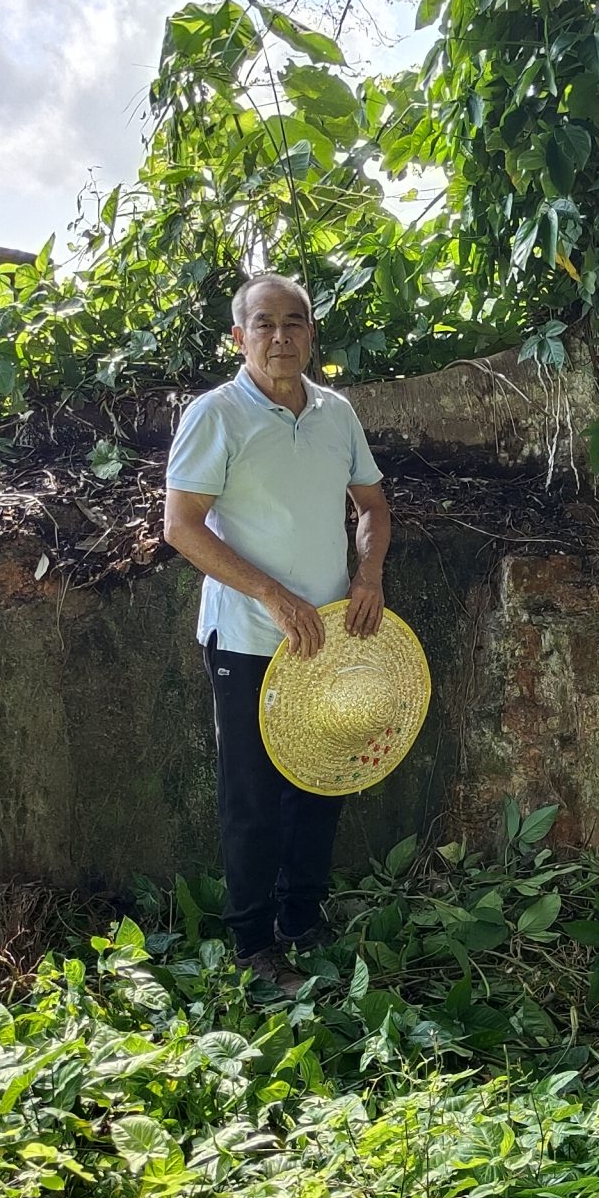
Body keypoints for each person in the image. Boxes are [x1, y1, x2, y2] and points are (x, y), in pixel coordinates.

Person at [162, 271, 392, 996]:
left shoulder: (336, 414)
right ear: (240, 337)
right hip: (247, 640)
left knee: (323, 783)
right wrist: (271, 594)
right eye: (264, 323)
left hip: (331, 642)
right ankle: (253, 944)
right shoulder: (216, 414)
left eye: (295, 321)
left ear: (312, 335)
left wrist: (370, 576)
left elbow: (372, 507)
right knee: (252, 795)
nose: (281, 335)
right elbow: (180, 527)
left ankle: (302, 920)